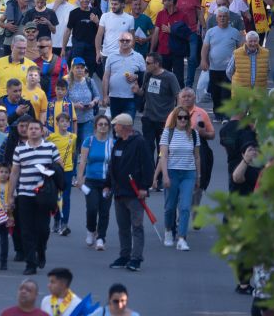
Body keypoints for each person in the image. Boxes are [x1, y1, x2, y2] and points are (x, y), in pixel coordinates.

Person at [8, 119, 61, 276]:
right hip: (25, 193)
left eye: (36, 128)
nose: (32, 131)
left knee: (43, 229)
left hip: (43, 194)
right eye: (30, 128)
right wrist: (11, 196)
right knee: (26, 230)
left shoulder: (50, 147)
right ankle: (30, 263)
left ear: (42, 130)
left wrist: (49, 169)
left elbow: (60, 166)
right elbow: (15, 172)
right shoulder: (19, 150)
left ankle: (41, 250)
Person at [104, 113, 153, 272]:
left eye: (116, 125)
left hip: (134, 193)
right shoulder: (118, 143)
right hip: (119, 193)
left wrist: (144, 187)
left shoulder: (139, 143)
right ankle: (124, 255)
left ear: (124, 127)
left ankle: (136, 258)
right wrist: (107, 184)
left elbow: (148, 166)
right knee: (123, 227)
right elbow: (113, 166)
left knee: (136, 226)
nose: (114, 127)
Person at [157, 107, 201, 252]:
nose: (183, 120)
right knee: (170, 206)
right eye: (180, 117)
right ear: (175, 118)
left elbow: (197, 157)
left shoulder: (193, 134)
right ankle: (169, 231)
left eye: (185, 117)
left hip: (188, 173)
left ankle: (182, 238)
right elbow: (163, 156)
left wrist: (198, 176)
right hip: (172, 172)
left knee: (185, 207)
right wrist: (165, 176)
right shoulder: (167, 133)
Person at [77, 113, 113, 251]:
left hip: (107, 182)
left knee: (104, 211)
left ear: (109, 127)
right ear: (96, 127)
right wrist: (80, 178)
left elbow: (114, 164)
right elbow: (83, 161)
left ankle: (101, 238)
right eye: (100, 124)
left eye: (105, 124)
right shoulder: (89, 141)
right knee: (92, 208)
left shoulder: (112, 143)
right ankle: (91, 230)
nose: (103, 127)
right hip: (91, 181)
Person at [101, 33, 145, 121]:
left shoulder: (139, 57)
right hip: (114, 97)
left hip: (131, 98)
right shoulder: (111, 56)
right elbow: (106, 77)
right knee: (115, 127)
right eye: (122, 40)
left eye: (127, 40)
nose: (124, 42)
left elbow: (145, 76)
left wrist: (136, 76)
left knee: (127, 127)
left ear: (132, 42)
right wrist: (105, 96)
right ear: (118, 42)